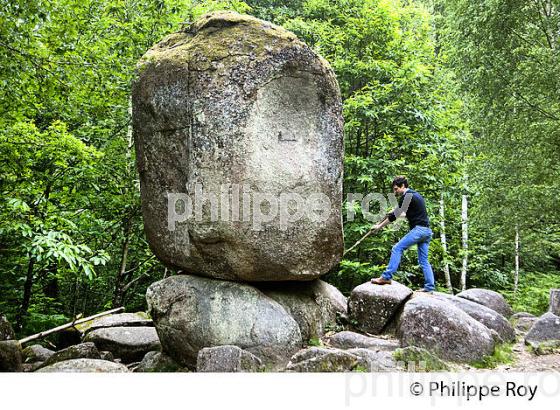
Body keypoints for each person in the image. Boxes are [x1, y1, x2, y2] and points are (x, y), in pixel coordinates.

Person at [370, 176, 435, 292]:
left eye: (396, 189)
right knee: (423, 260)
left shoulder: (407, 196)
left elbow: (395, 216)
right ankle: (429, 287)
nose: (395, 192)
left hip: (419, 231)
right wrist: (394, 213)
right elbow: (407, 214)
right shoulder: (416, 195)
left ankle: (386, 277)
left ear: (403, 186)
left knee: (397, 248)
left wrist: (379, 226)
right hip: (427, 231)